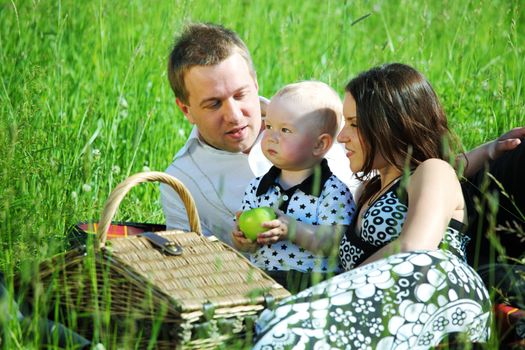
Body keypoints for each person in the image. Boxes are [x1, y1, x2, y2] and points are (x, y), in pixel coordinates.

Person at [253, 63, 493, 348]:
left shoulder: (432, 171)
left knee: (289, 328)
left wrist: (331, 292)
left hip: (432, 294)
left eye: (354, 124)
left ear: (391, 125)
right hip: (375, 304)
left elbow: (414, 251)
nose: (342, 137)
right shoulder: (367, 193)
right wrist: (288, 227)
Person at [160, 23, 358, 247]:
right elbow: (192, 262)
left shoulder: (315, 115)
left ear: (255, 83)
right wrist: (242, 246)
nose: (234, 116)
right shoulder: (182, 181)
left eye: (240, 94)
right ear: (186, 110)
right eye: (214, 104)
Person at [231, 81, 356, 292]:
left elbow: (337, 243)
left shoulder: (331, 191)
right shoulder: (257, 187)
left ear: (319, 144)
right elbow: (249, 244)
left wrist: (293, 230)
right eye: (269, 126)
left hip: (313, 287)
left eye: (285, 130)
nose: (271, 136)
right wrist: (245, 241)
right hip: (264, 283)